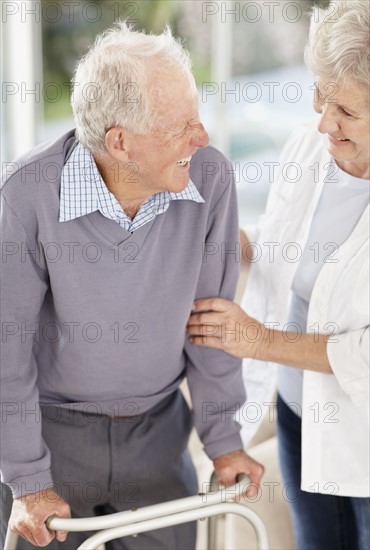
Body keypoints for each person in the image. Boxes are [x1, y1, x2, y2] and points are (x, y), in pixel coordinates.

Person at [0, 22, 264, 549]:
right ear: (120, 143)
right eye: (181, 125)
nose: (202, 137)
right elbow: (8, 348)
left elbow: (210, 320)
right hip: (53, 436)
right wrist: (28, 479)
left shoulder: (209, 178)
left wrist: (225, 440)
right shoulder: (27, 192)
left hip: (159, 434)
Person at [187, 1, 370, 549]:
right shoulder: (313, 146)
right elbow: (282, 239)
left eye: (344, 108)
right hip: (298, 415)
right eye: (319, 93)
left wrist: (258, 340)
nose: (322, 120)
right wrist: (226, 245)